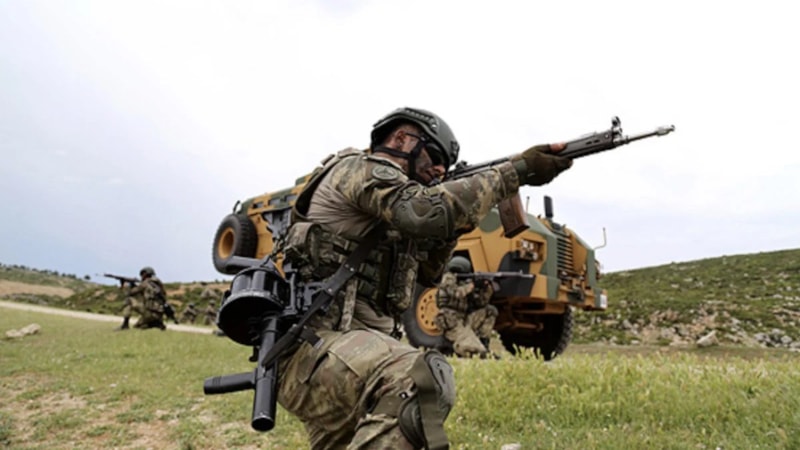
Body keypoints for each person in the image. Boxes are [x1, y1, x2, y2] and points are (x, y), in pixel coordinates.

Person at [273, 106, 571, 449]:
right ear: (402, 139)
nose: (441, 169)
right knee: (419, 378)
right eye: (435, 157)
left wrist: (457, 222)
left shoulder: (393, 207)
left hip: (344, 358)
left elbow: (429, 273)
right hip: (313, 351)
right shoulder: (359, 169)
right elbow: (423, 212)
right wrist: (513, 174)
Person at [435, 256, 498, 358]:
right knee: (472, 349)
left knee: (491, 311)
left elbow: (480, 303)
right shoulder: (447, 279)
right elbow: (456, 293)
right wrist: (472, 285)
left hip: (464, 320)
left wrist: (485, 288)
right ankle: (448, 346)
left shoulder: (464, 283)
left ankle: (484, 344)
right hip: (452, 321)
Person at [125, 266, 167, 330]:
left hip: (149, 313)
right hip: (159, 314)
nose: (141, 276)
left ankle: (125, 325)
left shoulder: (145, 283)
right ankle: (156, 323)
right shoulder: (158, 284)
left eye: (142, 275)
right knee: (139, 326)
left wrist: (129, 285)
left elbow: (131, 293)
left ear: (145, 274)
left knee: (129, 300)